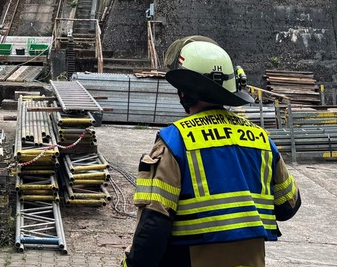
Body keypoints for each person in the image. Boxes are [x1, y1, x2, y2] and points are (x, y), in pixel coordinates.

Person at [124, 36, 301, 267]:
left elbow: (154, 225)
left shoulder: (175, 141)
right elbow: (288, 205)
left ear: (185, 92)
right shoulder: (261, 139)